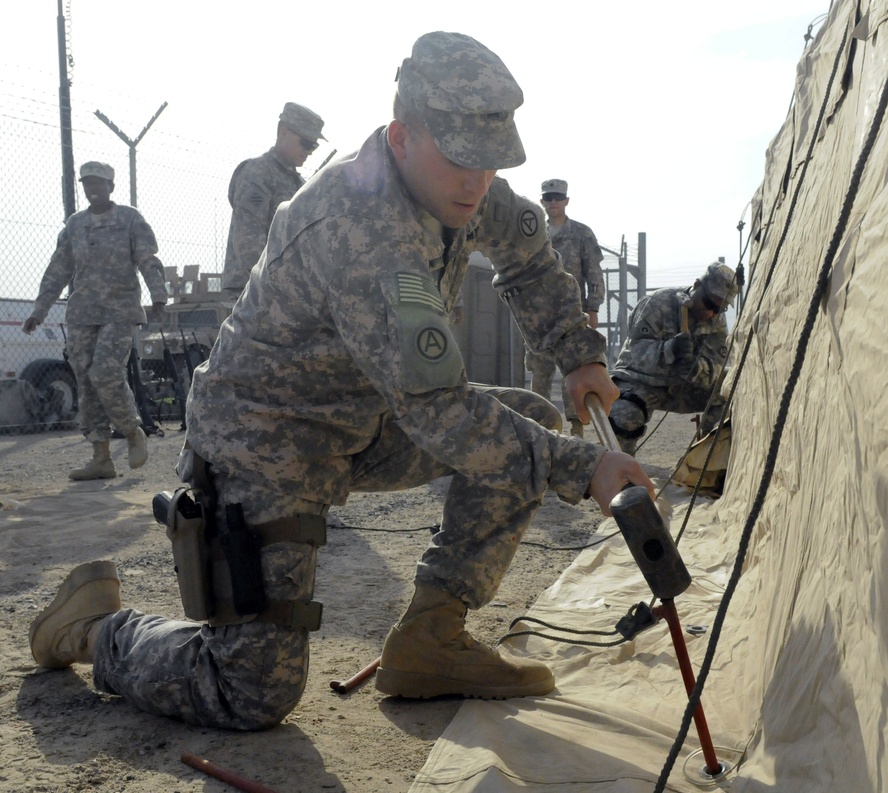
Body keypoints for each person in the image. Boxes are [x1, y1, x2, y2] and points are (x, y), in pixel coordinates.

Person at [28, 31, 654, 731]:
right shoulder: (363, 228)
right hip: (269, 440)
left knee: (525, 424)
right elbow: (443, 413)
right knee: (251, 689)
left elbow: (530, 254)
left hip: (365, 420)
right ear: (400, 137)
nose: (476, 182)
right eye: (458, 159)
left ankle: (431, 640)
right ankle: (98, 628)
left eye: (490, 161)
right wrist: (588, 466)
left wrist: (578, 354)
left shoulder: (463, 185)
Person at [22, 161, 168, 479]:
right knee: (86, 382)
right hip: (83, 313)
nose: (92, 189)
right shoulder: (75, 225)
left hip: (120, 310)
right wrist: (39, 310)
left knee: (105, 372)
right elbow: (57, 270)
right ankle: (100, 457)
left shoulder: (129, 219)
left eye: (99, 183)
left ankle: (132, 431)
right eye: (87, 183)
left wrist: (158, 294)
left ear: (111, 186)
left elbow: (147, 257)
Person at [608, 262, 738, 455]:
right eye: (709, 303)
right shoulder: (657, 303)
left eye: (720, 309)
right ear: (696, 286)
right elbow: (636, 353)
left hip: (684, 388)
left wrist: (698, 368)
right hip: (642, 383)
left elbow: (716, 366)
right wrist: (670, 349)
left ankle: (708, 461)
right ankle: (620, 469)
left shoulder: (715, 323)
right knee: (625, 412)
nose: (711, 313)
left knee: (732, 386)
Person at [220, 102, 326, 298]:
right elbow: (248, 240)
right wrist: (274, 287)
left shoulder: (299, 184)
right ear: (284, 132)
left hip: (286, 293)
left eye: (314, 145)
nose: (310, 151)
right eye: (306, 143)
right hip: (252, 292)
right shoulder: (257, 173)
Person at [525, 178, 605, 437]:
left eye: (558, 197)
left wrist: (593, 309)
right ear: (542, 202)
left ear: (567, 200)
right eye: (548, 198)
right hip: (538, 317)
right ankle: (540, 427)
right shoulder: (534, 234)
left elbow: (594, 275)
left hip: (571, 315)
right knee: (540, 373)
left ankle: (576, 427)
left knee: (573, 371)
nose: (553, 202)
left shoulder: (582, 234)